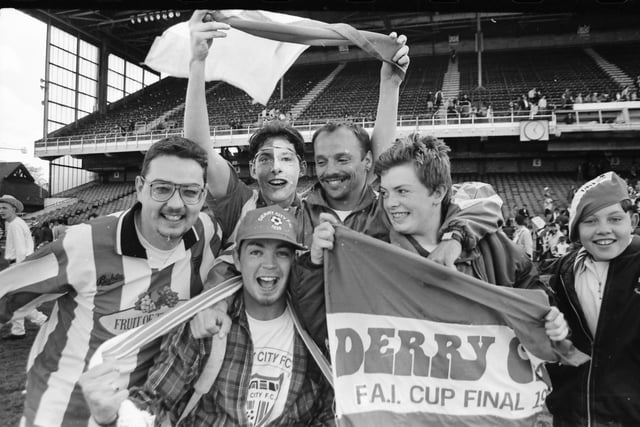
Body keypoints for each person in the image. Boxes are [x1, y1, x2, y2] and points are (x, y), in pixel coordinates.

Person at [186, 10, 504, 341]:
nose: (332, 169)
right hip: (304, 353)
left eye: (342, 159)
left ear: (300, 167)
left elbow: (482, 201)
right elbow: (235, 257)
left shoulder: (392, 209)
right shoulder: (293, 222)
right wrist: (215, 298)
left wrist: (454, 239)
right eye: (323, 160)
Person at [307, 134, 569, 422]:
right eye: (385, 193)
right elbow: (326, 328)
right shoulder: (368, 248)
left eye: (403, 191)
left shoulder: (491, 247)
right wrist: (316, 265)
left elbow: (535, 300)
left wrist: (552, 320)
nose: (391, 203)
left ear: (437, 192)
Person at [0, 137, 225, 427]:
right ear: (140, 188)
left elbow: (240, 254)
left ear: (203, 195)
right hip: (63, 414)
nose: (175, 204)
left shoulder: (206, 233)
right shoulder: (84, 243)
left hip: (138, 414)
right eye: (162, 189)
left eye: (190, 192)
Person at [79, 206, 334, 427]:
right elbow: (156, 401)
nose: (269, 265)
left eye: (282, 253)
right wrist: (111, 415)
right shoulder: (205, 325)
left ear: (294, 260)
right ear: (237, 258)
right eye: (256, 252)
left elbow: (330, 410)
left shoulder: (311, 328)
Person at [543, 171, 640, 425]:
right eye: (590, 221)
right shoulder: (563, 272)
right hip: (573, 416)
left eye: (615, 219)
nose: (603, 230)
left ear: (633, 220)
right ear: (575, 230)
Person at [0, 194, 48, 340]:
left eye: (4, 208)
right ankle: (19, 329)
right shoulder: (15, 223)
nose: (1, 211)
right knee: (16, 300)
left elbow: (21, 250)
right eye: (0, 208)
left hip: (19, 265)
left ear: (13, 209)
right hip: (18, 265)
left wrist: (18, 269)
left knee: (15, 300)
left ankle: (41, 321)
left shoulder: (15, 225)